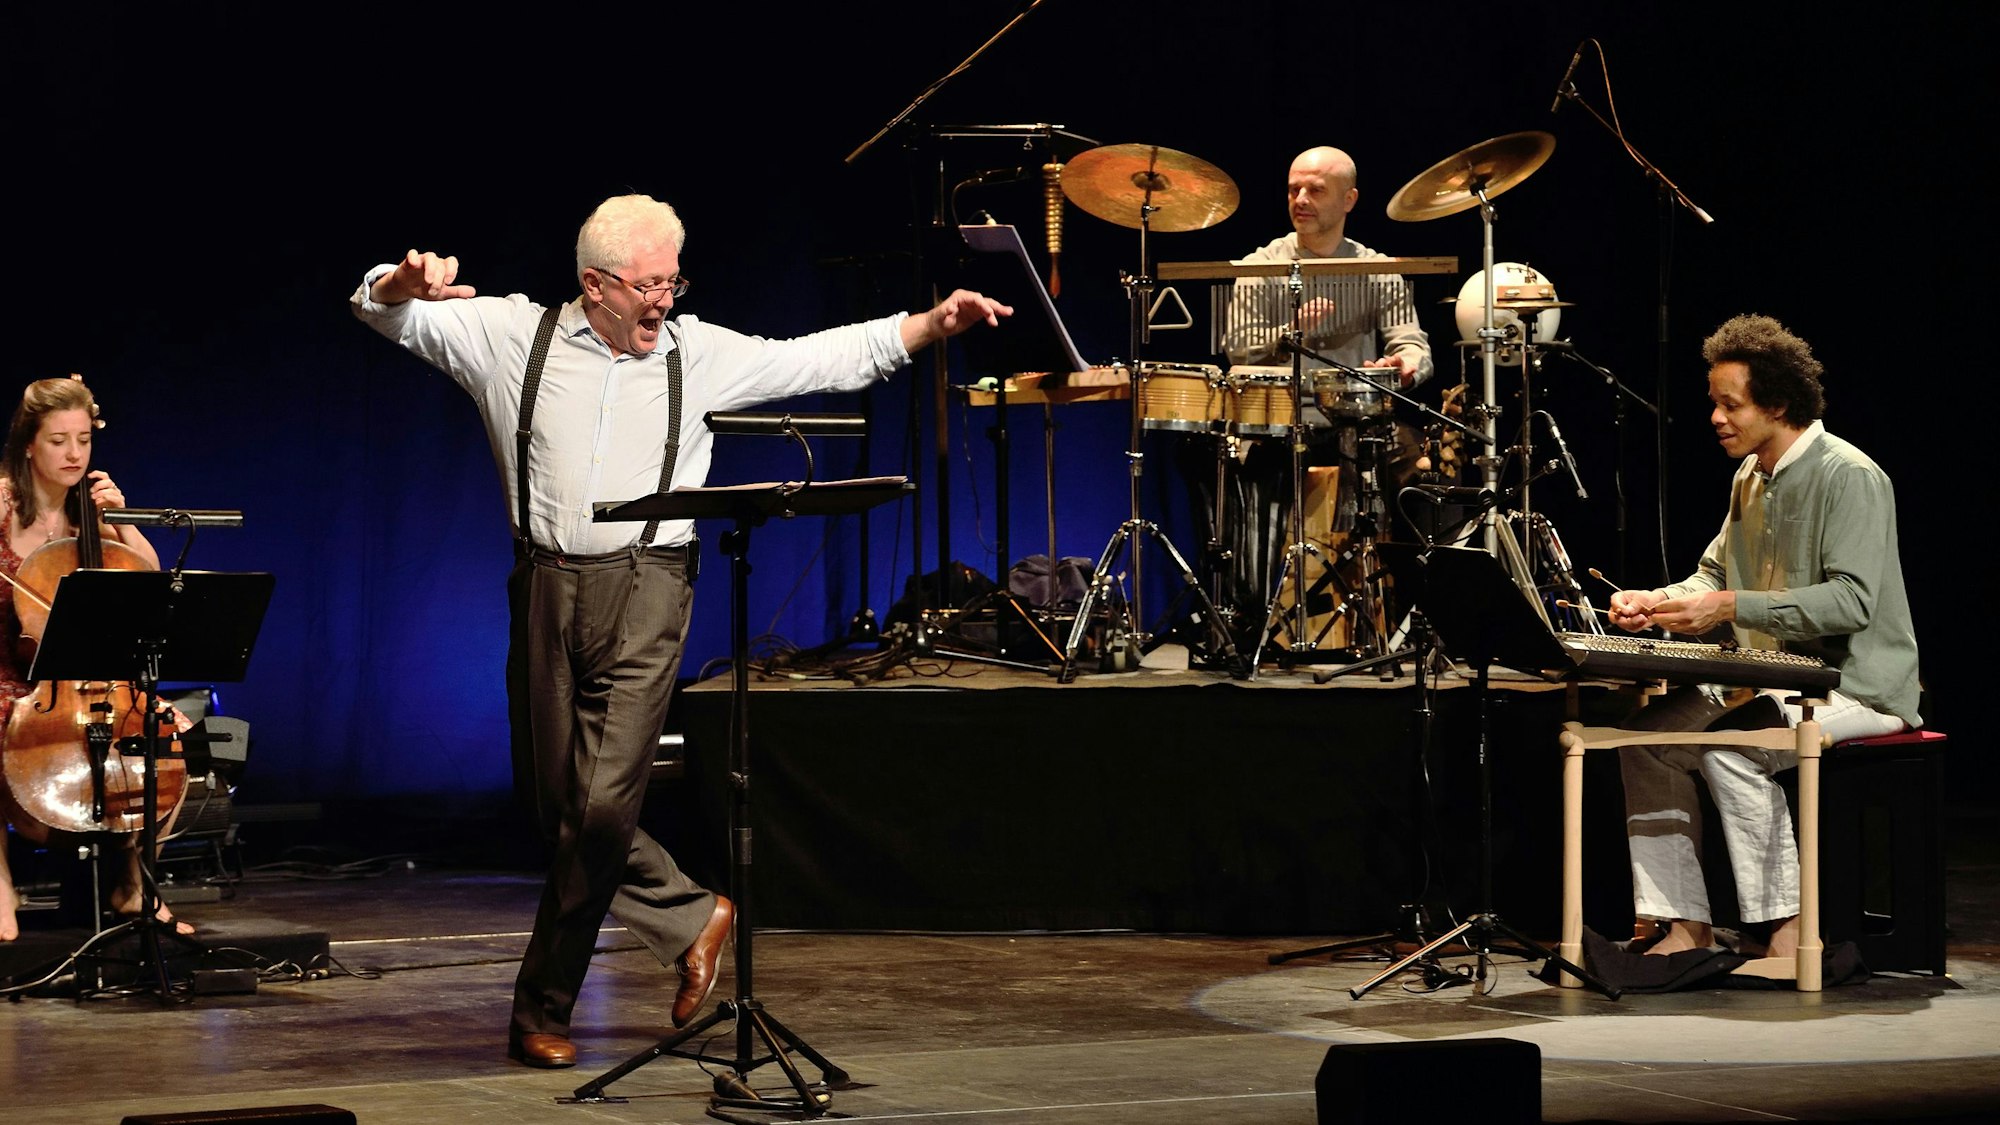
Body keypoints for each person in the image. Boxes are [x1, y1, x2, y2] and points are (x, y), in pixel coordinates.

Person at [350, 194, 1010, 1068]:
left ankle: (541, 1005)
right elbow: (378, 311)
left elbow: (812, 358)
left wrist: (926, 325)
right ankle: (694, 914)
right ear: (595, 285)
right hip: (545, 584)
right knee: (553, 802)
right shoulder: (511, 336)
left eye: (674, 279)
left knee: (598, 807)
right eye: (649, 283)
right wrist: (401, 280)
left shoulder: (693, 353)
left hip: (650, 589)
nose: (665, 298)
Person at [1606, 314, 1920, 959]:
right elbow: (1715, 573)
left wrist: (1726, 606)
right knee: (1645, 745)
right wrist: (1657, 602)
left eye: (1731, 404)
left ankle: (1786, 932)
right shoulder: (1749, 476)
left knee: (1731, 749)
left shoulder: (1849, 476)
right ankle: (1683, 926)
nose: (1716, 417)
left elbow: (1853, 600)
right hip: (1766, 679)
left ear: (1776, 403)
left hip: (1856, 687)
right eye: (1714, 403)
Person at [1207, 146, 1440, 649]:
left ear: (1349, 199)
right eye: (1294, 189)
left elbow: (1412, 343)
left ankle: (1409, 618)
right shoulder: (1262, 266)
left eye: (1316, 190)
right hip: (1278, 422)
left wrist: (1404, 366)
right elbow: (1238, 346)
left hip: (1355, 424)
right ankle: (1256, 619)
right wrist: (1292, 328)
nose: (1301, 199)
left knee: (1422, 470)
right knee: (1252, 466)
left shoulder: (1378, 269)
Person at [0, 375, 183, 943]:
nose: (74, 453)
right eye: (58, 440)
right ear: (29, 443)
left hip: (81, 681)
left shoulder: (93, 510)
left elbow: (148, 578)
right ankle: (0, 885)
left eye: (83, 439)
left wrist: (122, 518)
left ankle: (132, 880)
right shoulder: (2, 501)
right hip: (9, 670)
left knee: (167, 731)